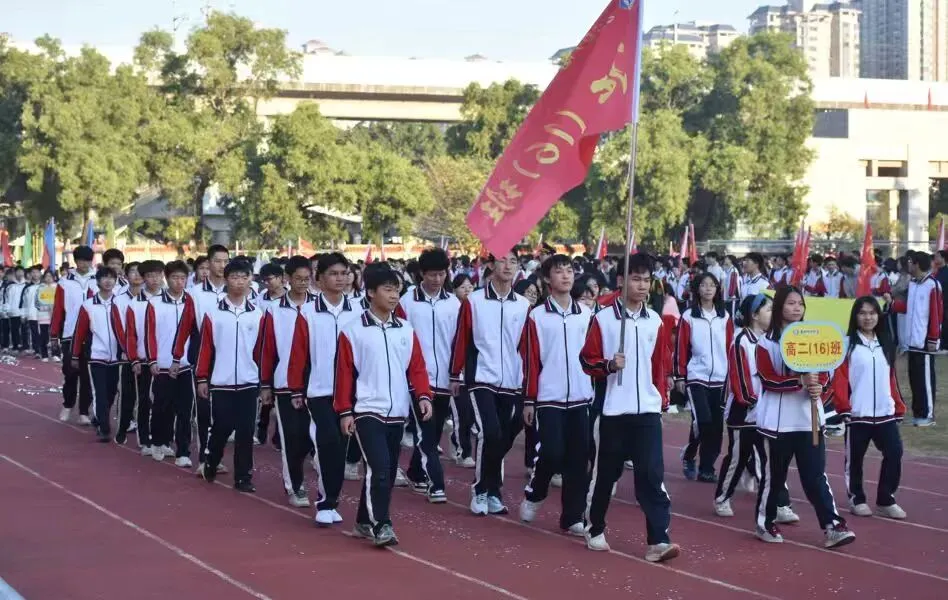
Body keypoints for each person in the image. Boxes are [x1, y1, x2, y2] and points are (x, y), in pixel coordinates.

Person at [579, 253, 679, 562]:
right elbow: (586, 360)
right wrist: (608, 365)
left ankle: (658, 540)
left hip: (646, 411)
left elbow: (660, 363)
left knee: (651, 474)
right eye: (635, 279)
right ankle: (594, 526)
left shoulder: (656, 322)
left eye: (646, 280)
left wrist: (662, 397)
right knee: (606, 475)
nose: (641, 285)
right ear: (622, 281)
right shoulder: (605, 319)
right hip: (612, 412)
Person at [334, 264, 434, 547]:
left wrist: (424, 396)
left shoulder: (405, 328)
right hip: (367, 410)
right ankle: (382, 525)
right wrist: (344, 410)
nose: (394, 296)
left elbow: (416, 368)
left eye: (397, 290)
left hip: (398, 411)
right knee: (378, 468)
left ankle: (364, 521)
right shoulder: (353, 331)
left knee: (387, 472)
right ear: (370, 292)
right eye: (388, 289)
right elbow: (343, 375)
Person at [755, 286, 855, 548]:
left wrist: (818, 384)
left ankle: (833, 525)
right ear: (779, 307)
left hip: (809, 420)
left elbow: (825, 374)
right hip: (776, 423)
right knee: (774, 477)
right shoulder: (766, 343)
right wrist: (798, 380)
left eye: (800, 303)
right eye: (790, 303)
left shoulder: (815, 339)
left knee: (814, 475)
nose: (797, 308)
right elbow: (767, 379)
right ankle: (764, 522)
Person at [450, 250, 531, 516]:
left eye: (513, 262)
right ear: (490, 265)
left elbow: (526, 346)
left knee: (504, 434)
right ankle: (481, 489)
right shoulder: (473, 302)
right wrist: (455, 374)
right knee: (490, 432)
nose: (508, 266)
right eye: (502, 261)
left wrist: (528, 380)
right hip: (481, 377)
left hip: (511, 380)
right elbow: (462, 338)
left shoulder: (522, 305)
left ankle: (494, 489)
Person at [518, 254, 591, 536]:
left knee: (578, 458)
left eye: (569, 271)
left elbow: (593, 355)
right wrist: (529, 399)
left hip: (581, 397)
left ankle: (572, 516)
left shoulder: (586, 314)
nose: (565, 276)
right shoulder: (536, 316)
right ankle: (535, 493)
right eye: (559, 272)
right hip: (549, 396)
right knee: (551, 452)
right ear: (547, 279)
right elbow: (531, 361)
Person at [290, 252, 364, 526]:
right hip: (320, 390)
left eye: (344, 273)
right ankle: (325, 501)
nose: (340, 278)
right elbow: (299, 355)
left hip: (352, 392)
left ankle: (331, 499)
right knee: (327, 441)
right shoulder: (307, 313)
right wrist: (297, 389)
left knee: (342, 446)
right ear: (319, 279)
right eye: (333, 273)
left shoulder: (358, 311)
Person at [714, 294, 798, 524]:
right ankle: (722, 497)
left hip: (768, 413)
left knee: (770, 461)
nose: (774, 314)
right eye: (769, 309)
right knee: (737, 458)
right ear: (754, 315)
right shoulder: (741, 341)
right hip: (744, 413)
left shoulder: (774, 341)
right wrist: (754, 401)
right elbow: (739, 380)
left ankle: (780, 504)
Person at [833, 296, 907, 520]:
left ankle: (886, 499)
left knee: (895, 452)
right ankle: (857, 498)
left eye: (872, 313)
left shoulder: (885, 342)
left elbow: (890, 378)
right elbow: (839, 379)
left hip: (884, 412)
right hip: (858, 414)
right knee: (855, 458)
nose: (868, 317)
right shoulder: (847, 345)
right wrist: (844, 407)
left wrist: (898, 406)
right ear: (855, 316)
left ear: (879, 315)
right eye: (863, 313)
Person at [195, 259, 265, 492]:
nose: (239, 282)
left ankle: (243, 477)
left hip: (248, 381)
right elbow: (206, 348)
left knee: (245, 431)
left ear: (250, 280)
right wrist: (202, 377)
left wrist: (263, 380)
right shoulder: (213, 314)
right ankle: (211, 462)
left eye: (244, 277)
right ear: (226, 280)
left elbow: (261, 350)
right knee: (221, 427)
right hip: (221, 381)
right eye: (234, 277)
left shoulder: (257, 314)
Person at [397, 248, 459, 504]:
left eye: (441, 274)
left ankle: (413, 471)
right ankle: (435, 483)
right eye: (432, 274)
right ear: (421, 274)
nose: (436, 279)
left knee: (432, 432)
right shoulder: (406, 303)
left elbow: (458, 341)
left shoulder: (454, 304)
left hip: (445, 377)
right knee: (425, 430)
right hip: (417, 378)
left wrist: (456, 374)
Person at [259, 256, 316, 508]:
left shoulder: (319, 306)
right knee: (292, 436)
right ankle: (295, 485)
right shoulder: (273, 309)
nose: (303, 284)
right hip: (284, 384)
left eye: (307, 279)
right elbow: (267, 349)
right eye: (297, 279)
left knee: (311, 438)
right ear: (287, 279)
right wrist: (265, 384)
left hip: (317, 384)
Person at [676, 272, 734, 483]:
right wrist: (680, 376)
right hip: (696, 376)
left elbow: (730, 347)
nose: (708, 289)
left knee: (717, 426)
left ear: (717, 289)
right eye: (704, 285)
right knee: (703, 421)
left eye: (712, 285)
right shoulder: (688, 316)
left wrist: (731, 375)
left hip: (721, 377)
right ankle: (690, 454)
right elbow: (681, 347)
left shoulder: (724, 316)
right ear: (697, 289)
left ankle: (707, 467)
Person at [144, 261, 198, 465]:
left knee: (185, 409)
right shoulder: (155, 303)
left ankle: (183, 451)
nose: (179, 282)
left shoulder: (191, 302)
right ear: (167, 278)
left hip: (185, 365)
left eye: (183, 278)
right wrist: (152, 360)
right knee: (161, 407)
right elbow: (149, 334)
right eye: (175, 278)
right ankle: (158, 442)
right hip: (162, 364)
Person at [70, 267, 127, 443]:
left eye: (112, 278)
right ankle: (104, 427)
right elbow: (79, 332)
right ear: (98, 281)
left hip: (117, 357)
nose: (108, 281)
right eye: (105, 278)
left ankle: (99, 416)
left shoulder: (121, 303)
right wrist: (74, 354)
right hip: (96, 356)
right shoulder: (88, 305)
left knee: (111, 392)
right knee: (100, 393)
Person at [889, 252, 942, 427]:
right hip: (911, 340)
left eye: (910, 262)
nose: (908, 265)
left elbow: (936, 313)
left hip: (925, 341)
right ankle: (919, 412)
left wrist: (933, 339)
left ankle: (927, 414)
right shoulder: (913, 284)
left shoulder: (932, 285)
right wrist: (892, 305)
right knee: (915, 379)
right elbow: (909, 309)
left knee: (925, 379)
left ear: (917, 264)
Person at [51, 246, 96, 424]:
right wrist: (54, 334)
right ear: (75, 261)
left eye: (87, 260)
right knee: (70, 372)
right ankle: (68, 404)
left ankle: (84, 411)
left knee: (87, 375)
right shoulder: (64, 282)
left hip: (92, 334)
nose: (84, 264)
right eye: (80, 260)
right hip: (70, 333)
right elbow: (58, 310)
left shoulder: (97, 280)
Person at [449, 273, 476, 467]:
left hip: (474, 371)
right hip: (455, 371)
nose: (466, 290)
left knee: (471, 415)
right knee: (461, 414)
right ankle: (463, 450)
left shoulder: (476, 308)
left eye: (470, 287)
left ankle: (457, 442)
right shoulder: (450, 308)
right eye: (462, 287)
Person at [34, 269, 56, 361]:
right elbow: (36, 303)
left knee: (55, 335)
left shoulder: (57, 287)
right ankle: (44, 355)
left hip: (55, 316)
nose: (48, 278)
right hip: (43, 315)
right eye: (46, 276)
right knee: (44, 335)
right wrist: (46, 308)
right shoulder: (40, 288)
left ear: (54, 278)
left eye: (50, 276)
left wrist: (54, 309)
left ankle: (56, 354)